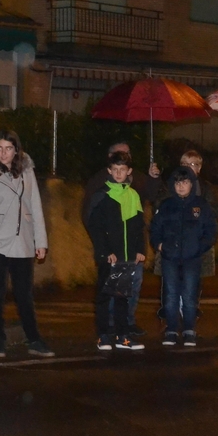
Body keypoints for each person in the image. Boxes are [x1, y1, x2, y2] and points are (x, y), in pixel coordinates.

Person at [0, 130, 52, 358]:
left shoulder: (27, 172)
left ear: (16, 150)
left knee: (24, 294)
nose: (3, 153)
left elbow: (35, 207)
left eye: (8, 148)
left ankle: (34, 339)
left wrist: (40, 241)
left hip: (22, 241)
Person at [82, 142, 159, 337]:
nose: (118, 173)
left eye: (122, 169)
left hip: (127, 255)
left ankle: (122, 333)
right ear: (109, 169)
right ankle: (104, 333)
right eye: (115, 169)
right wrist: (104, 251)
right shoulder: (101, 194)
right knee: (105, 294)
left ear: (129, 170)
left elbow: (138, 225)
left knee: (123, 296)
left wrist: (140, 249)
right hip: (110, 255)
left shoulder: (133, 194)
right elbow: (95, 226)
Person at [149, 166, 218, 347]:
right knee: (171, 295)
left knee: (189, 295)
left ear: (192, 184)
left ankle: (189, 330)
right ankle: (171, 330)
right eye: (178, 183)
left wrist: (199, 247)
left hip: (192, 258)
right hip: (170, 257)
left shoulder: (201, 205)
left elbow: (211, 230)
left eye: (185, 182)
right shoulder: (166, 205)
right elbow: (155, 227)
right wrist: (159, 245)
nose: (181, 186)